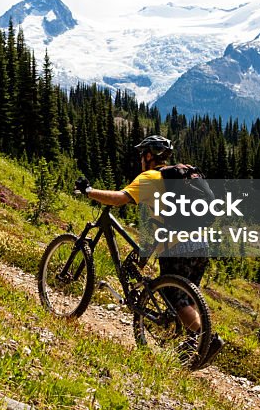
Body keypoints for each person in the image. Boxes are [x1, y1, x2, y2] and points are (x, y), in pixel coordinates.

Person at [74, 135, 212, 337]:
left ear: (148, 156)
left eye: (141, 155)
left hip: (177, 247)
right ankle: (196, 347)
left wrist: (89, 191)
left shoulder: (150, 178)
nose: (140, 160)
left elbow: (120, 199)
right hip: (201, 245)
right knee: (189, 300)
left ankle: (206, 339)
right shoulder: (176, 178)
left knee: (176, 299)